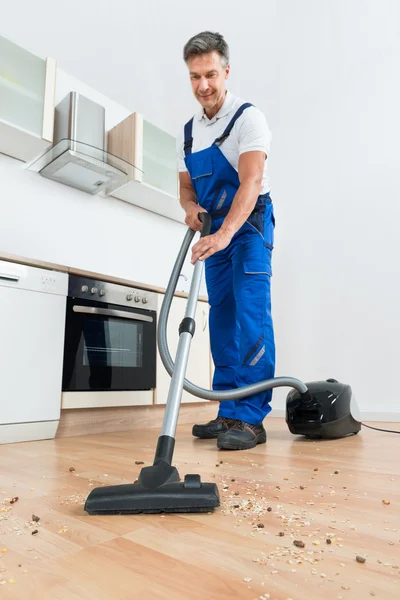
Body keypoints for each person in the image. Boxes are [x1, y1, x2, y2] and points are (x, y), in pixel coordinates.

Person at [176, 31, 275, 451]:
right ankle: (229, 410)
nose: (203, 85)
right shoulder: (188, 131)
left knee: (251, 316)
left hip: (247, 227)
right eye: (195, 76)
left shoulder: (248, 117)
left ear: (226, 71)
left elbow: (250, 181)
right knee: (221, 318)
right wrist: (191, 210)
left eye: (210, 74)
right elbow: (186, 189)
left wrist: (225, 234)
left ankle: (253, 419)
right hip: (213, 231)